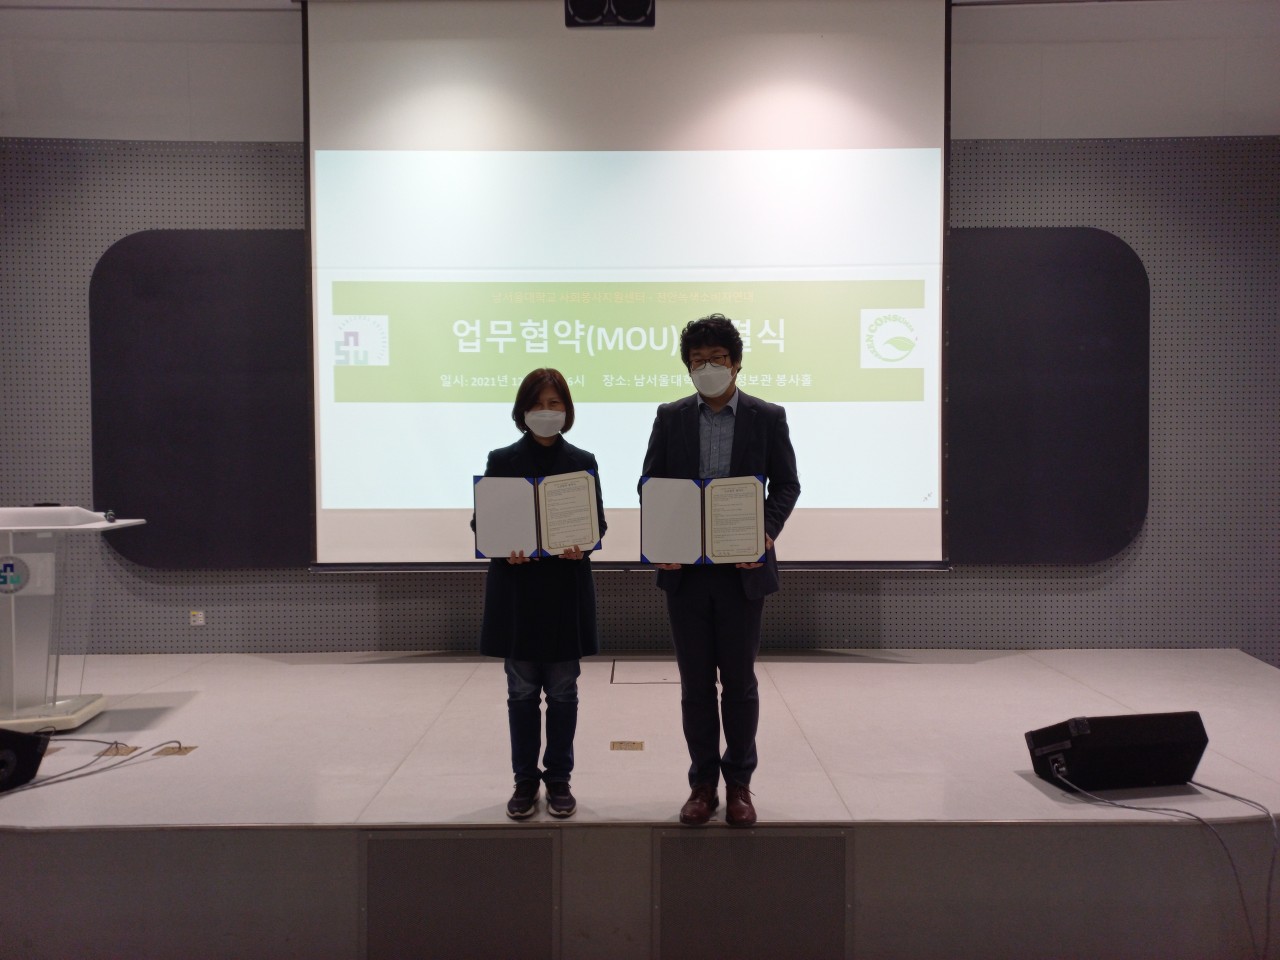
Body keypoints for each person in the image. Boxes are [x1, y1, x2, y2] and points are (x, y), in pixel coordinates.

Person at [640, 313, 800, 827]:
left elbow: (787, 485)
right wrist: (662, 538)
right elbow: (650, 484)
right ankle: (702, 785)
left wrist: (765, 533)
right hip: (685, 572)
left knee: (739, 683)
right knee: (695, 686)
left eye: (716, 359)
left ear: (736, 364)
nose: (707, 368)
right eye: (698, 361)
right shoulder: (670, 417)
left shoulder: (766, 416)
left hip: (742, 571)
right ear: (688, 367)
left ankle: (740, 785)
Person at [475, 369, 606, 820]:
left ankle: (560, 779)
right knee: (522, 692)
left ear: (566, 410)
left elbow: (597, 524)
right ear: (522, 410)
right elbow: (482, 523)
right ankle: (525, 781)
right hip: (518, 593)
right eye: (537, 404)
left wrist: (583, 543)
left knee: (564, 691)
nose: (546, 412)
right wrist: (502, 545)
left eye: (554, 404)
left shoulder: (582, 461)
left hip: (564, 591)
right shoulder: (501, 460)